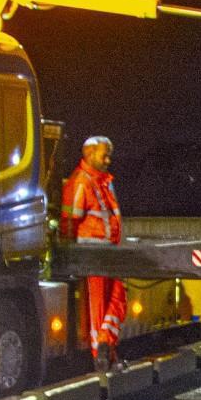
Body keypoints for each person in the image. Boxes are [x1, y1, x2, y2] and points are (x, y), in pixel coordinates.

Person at [60, 135, 127, 371]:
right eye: (104, 154)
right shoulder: (81, 182)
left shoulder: (104, 181)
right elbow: (69, 221)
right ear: (89, 154)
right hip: (91, 255)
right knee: (97, 309)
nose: (109, 160)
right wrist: (69, 256)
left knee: (118, 298)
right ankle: (102, 356)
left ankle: (107, 344)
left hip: (109, 253)